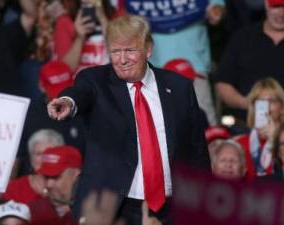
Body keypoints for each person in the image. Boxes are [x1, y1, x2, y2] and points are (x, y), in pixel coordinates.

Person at [47, 15, 209, 225]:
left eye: (130, 51)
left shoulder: (179, 87)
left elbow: (197, 150)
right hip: (116, 207)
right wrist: (69, 102)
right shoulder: (96, 81)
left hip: (173, 207)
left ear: (148, 49)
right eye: (115, 51)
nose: (122, 60)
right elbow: (81, 93)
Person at [215, 0, 284, 123]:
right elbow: (223, 82)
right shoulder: (243, 38)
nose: (281, 13)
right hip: (245, 124)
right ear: (266, 5)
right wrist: (246, 103)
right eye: (276, 6)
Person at [17, 61, 85, 175]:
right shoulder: (28, 115)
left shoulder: (83, 111)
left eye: (65, 89)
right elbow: (18, 157)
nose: (61, 97)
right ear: (41, 86)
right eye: (56, 90)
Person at [234, 78, 284, 180]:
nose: (266, 107)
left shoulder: (282, 143)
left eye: (271, 101)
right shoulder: (239, 144)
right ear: (253, 107)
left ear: (282, 106)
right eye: (260, 102)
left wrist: (276, 140)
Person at [3, 129, 65, 203]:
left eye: (49, 153)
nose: (43, 159)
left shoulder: (70, 188)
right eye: (39, 154)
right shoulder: (13, 188)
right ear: (31, 158)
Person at [29, 145, 82, 225]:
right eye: (46, 177)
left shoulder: (93, 210)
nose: (48, 184)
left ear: (75, 174)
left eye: (56, 177)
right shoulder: (34, 212)